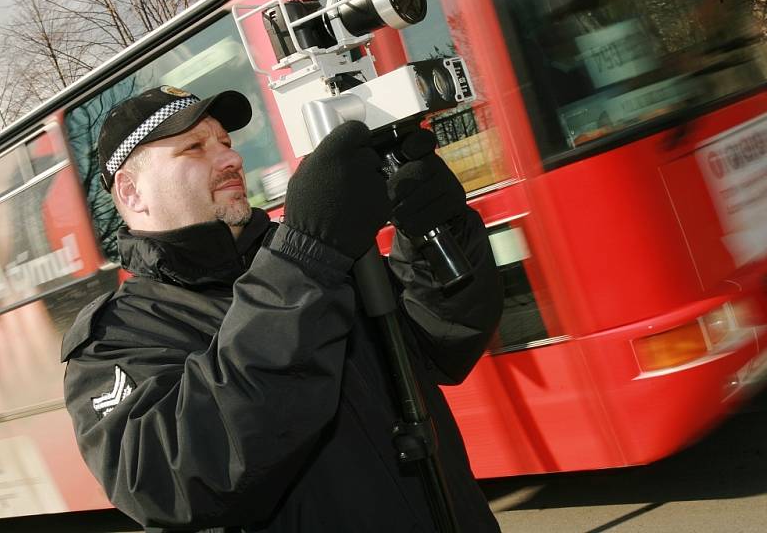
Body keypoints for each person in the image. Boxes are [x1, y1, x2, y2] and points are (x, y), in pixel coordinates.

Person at [62, 85, 503, 532]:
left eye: (227, 143)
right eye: (194, 148)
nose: (231, 159)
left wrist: (438, 230)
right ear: (132, 192)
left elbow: (442, 342)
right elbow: (174, 481)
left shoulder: (307, 258)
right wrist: (303, 263)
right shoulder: (115, 339)